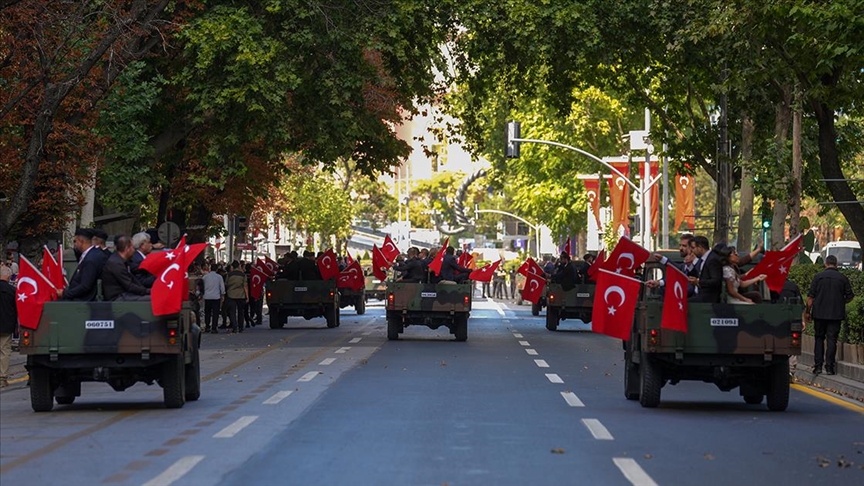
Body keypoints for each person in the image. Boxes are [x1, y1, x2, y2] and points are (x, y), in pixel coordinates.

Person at [807, 255, 855, 375]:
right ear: (836, 264)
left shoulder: (818, 277)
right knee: (832, 340)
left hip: (819, 314)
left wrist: (808, 312)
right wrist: (840, 302)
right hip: (835, 314)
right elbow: (850, 296)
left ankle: (818, 367)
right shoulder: (842, 278)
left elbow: (810, 297)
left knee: (819, 338)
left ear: (825, 264)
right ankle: (830, 368)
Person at [59, 228, 108, 301]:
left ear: (81, 241)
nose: (74, 244)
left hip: (83, 301)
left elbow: (85, 286)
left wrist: (65, 294)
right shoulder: (92, 254)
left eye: (75, 241)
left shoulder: (91, 259)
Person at [101, 235, 151, 301]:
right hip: (118, 297)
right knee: (154, 299)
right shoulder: (116, 263)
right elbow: (129, 286)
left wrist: (146, 290)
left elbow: (133, 280)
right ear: (127, 248)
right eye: (133, 248)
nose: (134, 250)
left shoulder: (121, 261)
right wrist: (148, 291)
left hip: (125, 294)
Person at [688, 236, 723, 303]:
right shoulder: (702, 259)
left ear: (700, 247)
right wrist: (689, 265)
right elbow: (697, 273)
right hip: (698, 294)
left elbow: (716, 281)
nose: (692, 251)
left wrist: (698, 282)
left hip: (708, 298)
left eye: (693, 248)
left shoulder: (712, 259)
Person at [0, 265, 16, 388]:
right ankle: (2, 378)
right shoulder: (12, 291)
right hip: (6, 325)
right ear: (9, 276)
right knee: (4, 351)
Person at [225, 261, 249, 333]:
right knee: (240, 311)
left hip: (231, 295)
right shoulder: (242, 274)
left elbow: (226, 284)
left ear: (232, 267)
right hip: (241, 295)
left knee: (232, 312)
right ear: (239, 266)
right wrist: (247, 296)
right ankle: (241, 327)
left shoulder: (229, 275)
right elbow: (245, 286)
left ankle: (234, 327)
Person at [202, 263, 225, 334]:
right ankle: (214, 327)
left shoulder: (205, 277)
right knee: (215, 313)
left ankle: (207, 326)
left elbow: (202, 286)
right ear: (217, 269)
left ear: (210, 268)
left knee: (207, 313)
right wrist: (223, 294)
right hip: (216, 297)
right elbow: (222, 287)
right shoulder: (219, 277)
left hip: (207, 297)